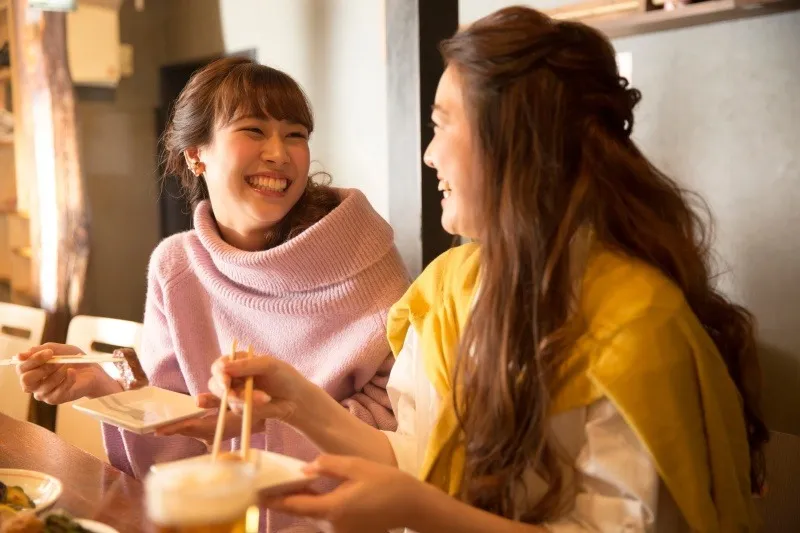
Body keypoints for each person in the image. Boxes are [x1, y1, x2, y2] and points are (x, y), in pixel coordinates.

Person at [206, 7, 767, 533]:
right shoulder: (448, 287)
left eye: (442, 125)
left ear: (516, 141)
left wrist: (421, 510)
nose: (429, 154)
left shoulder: (637, 321)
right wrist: (296, 401)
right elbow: (419, 454)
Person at [15, 57, 409, 532]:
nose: (278, 153)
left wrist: (261, 431)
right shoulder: (177, 266)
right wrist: (101, 385)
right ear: (195, 154)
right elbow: (174, 430)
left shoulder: (361, 252)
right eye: (254, 130)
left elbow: (396, 424)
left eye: (295, 134)